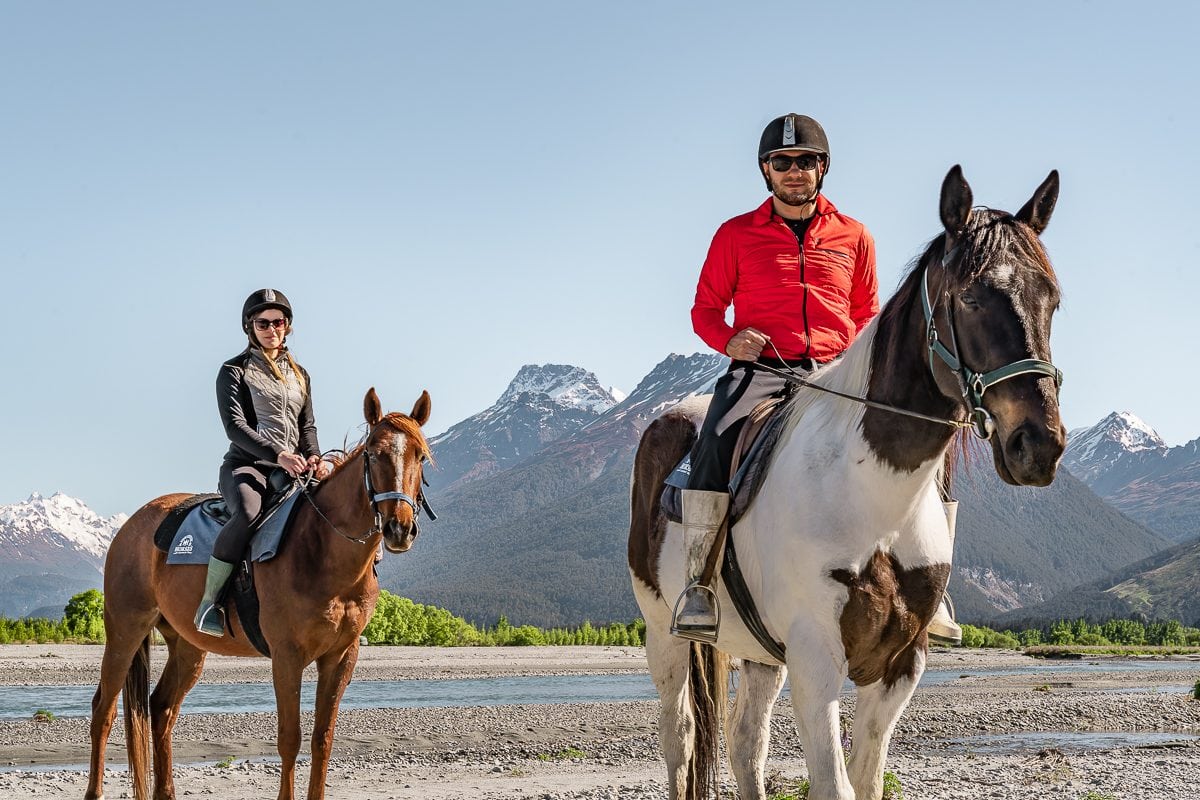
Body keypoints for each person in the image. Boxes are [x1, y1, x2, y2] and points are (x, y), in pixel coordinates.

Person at [673, 113, 961, 646]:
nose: (794, 171)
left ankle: (933, 590)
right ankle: (698, 585)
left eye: (805, 161)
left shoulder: (855, 235)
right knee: (714, 441)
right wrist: (729, 341)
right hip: (762, 371)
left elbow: (869, 312)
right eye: (782, 163)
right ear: (766, 170)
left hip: (836, 373)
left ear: (822, 167)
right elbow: (705, 310)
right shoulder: (735, 235)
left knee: (931, 447)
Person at [194, 288, 331, 636]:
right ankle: (210, 602)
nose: (271, 329)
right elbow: (234, 427)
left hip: (295, 469)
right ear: (249, 327)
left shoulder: (300, 374)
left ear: (287, 327)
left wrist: (313, 455)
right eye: (262, 323)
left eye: (278, 322)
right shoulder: (233, 371)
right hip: (246, 466)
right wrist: (278, 455)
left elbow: (307, 426)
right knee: (249, 514)